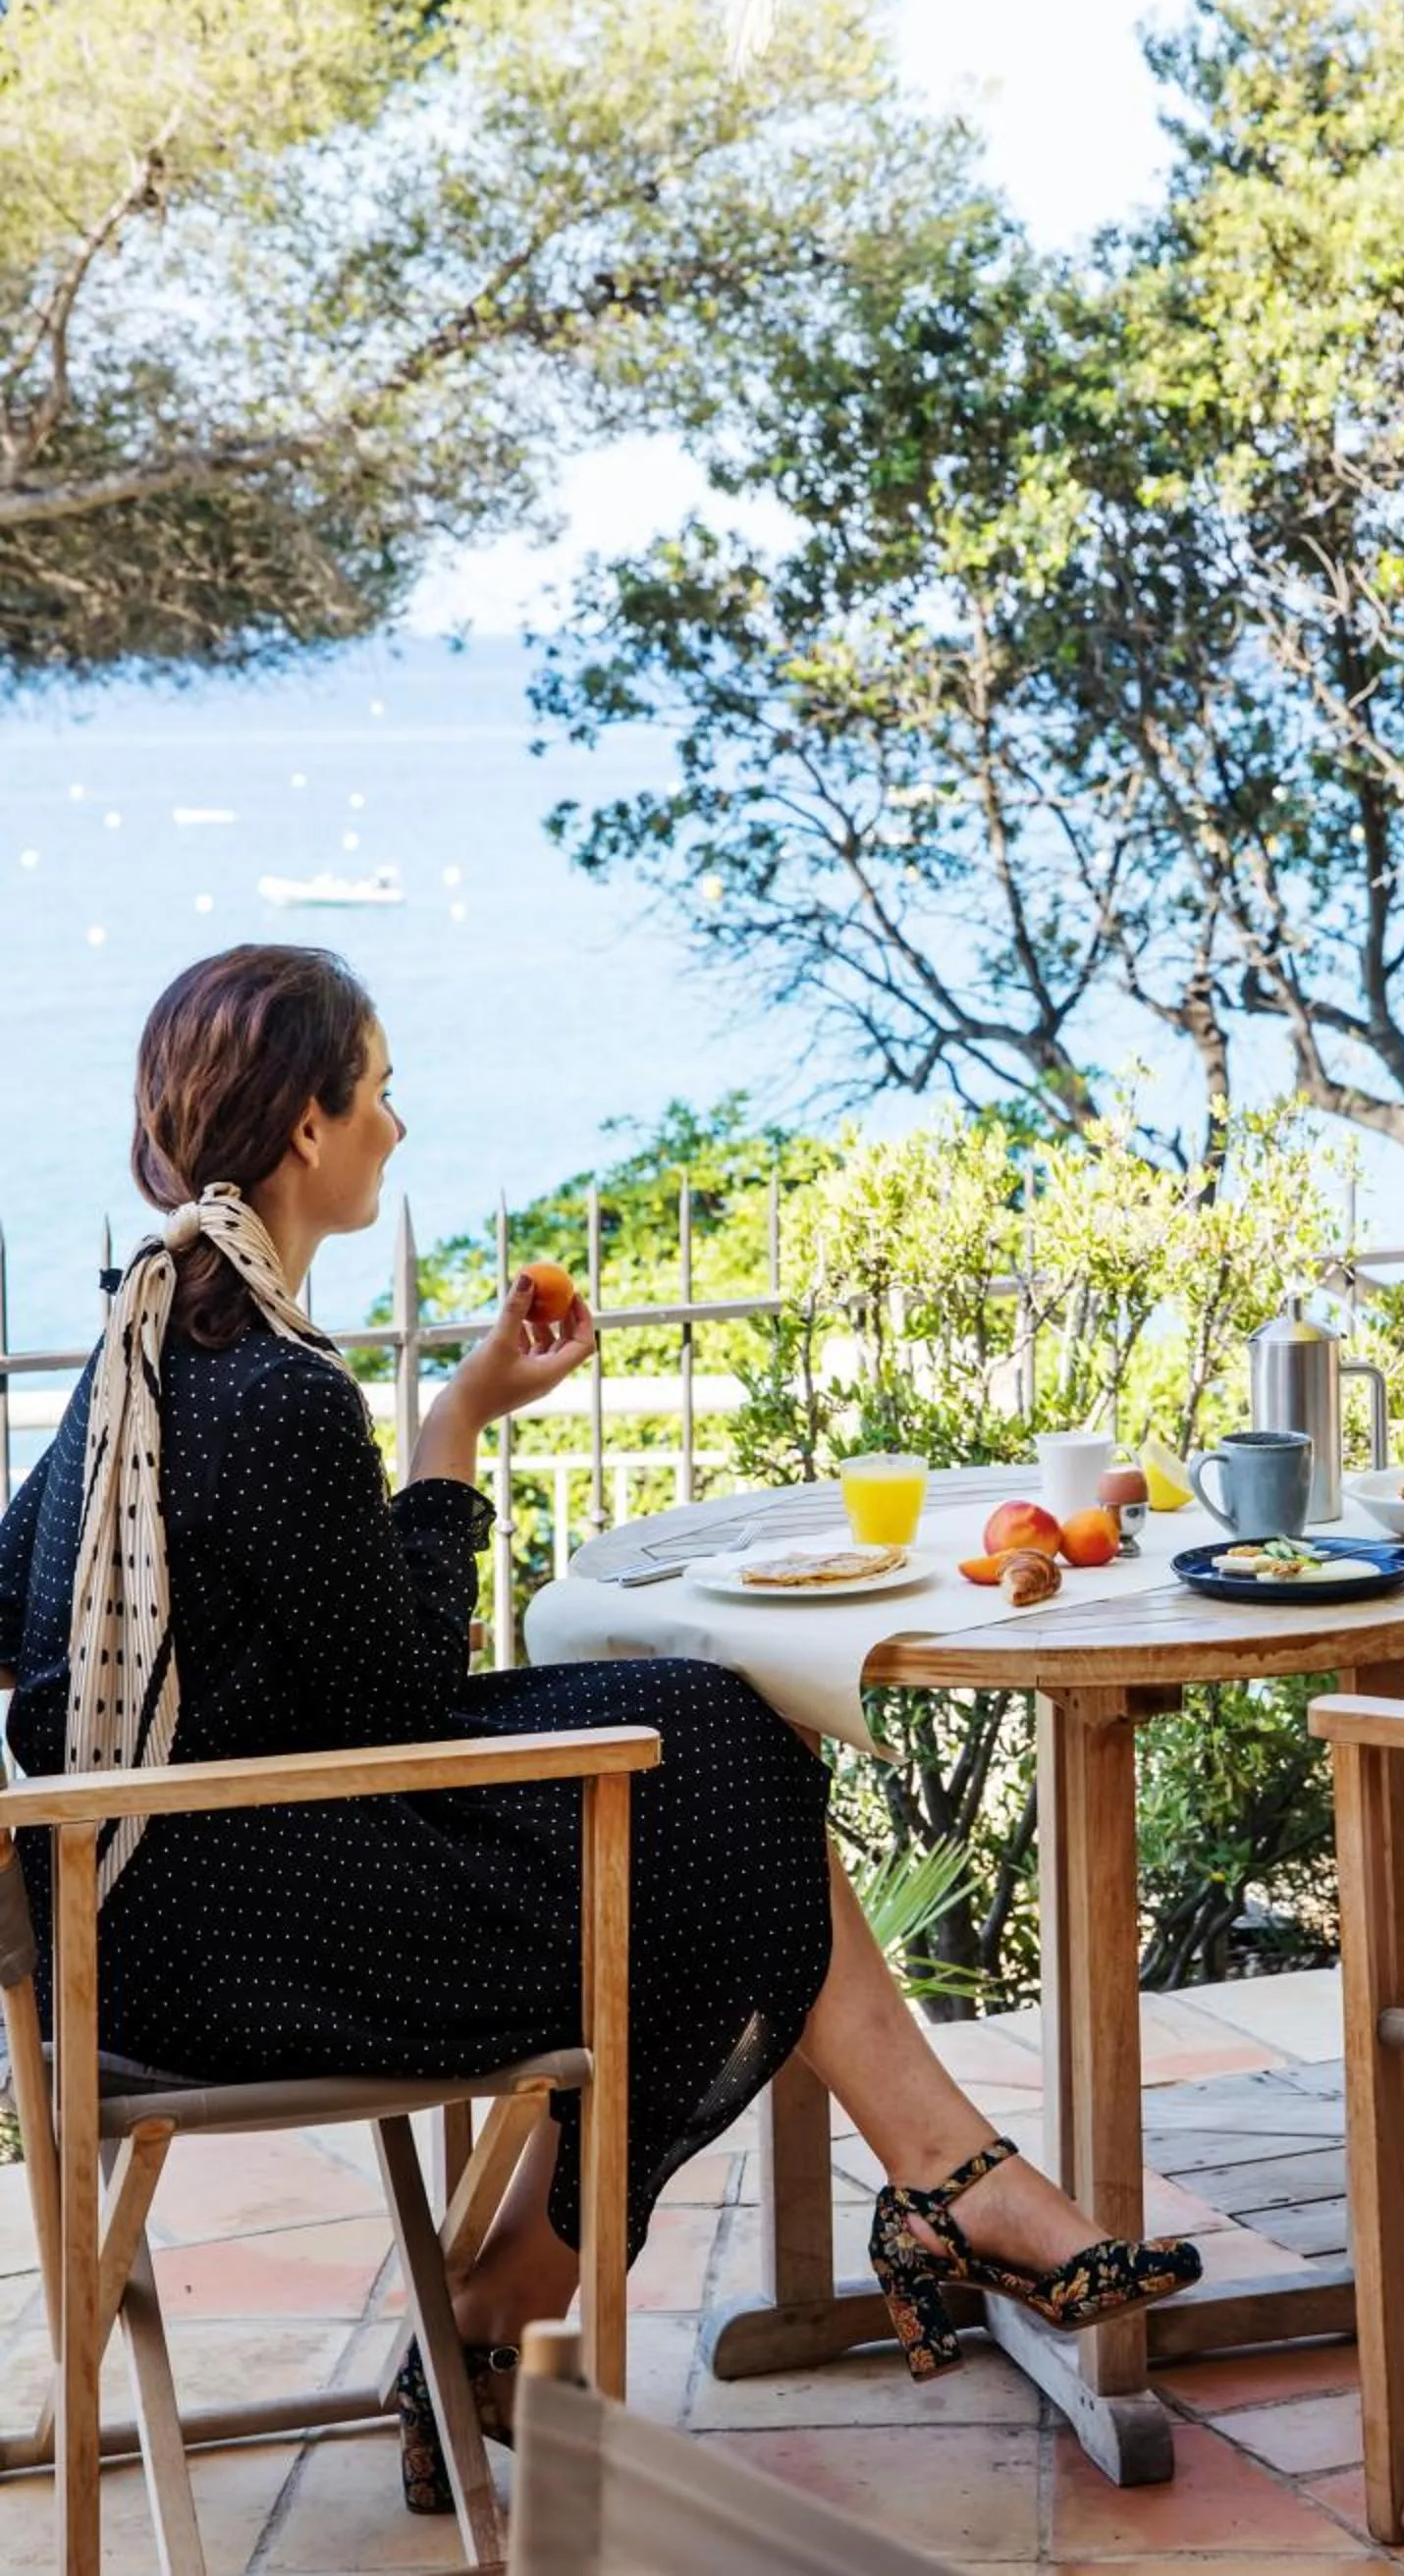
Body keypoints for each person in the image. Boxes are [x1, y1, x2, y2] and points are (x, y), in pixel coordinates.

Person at [0, 944, 1198, 2512]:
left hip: (130, 1907)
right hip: (231, 1939)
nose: (398, 1130)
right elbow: (404, 1703)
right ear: (306, 1129)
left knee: (711, 1743)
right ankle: (566, 2294)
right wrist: (453, 1435)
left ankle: (875, 2210)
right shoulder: (275, 1393)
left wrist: (435, 1440)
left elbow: (40, 1625)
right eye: (380, 1094)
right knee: (711, 1811)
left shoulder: (145, 1348)